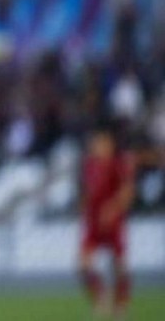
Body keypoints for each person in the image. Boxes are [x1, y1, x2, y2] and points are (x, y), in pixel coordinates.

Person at [79, 125, 135, 320]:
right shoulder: (89, 164)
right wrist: (84, 207)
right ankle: (100, 299)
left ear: (109, 144)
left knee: (120, 265)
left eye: (99, 142)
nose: (95, 146)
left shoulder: (118, 164)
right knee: (83, 264)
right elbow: (88, 190)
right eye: (94, 143)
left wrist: (113, 208)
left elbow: (127, 192)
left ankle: (120, 306)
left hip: (113, 223)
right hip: (93, 222)